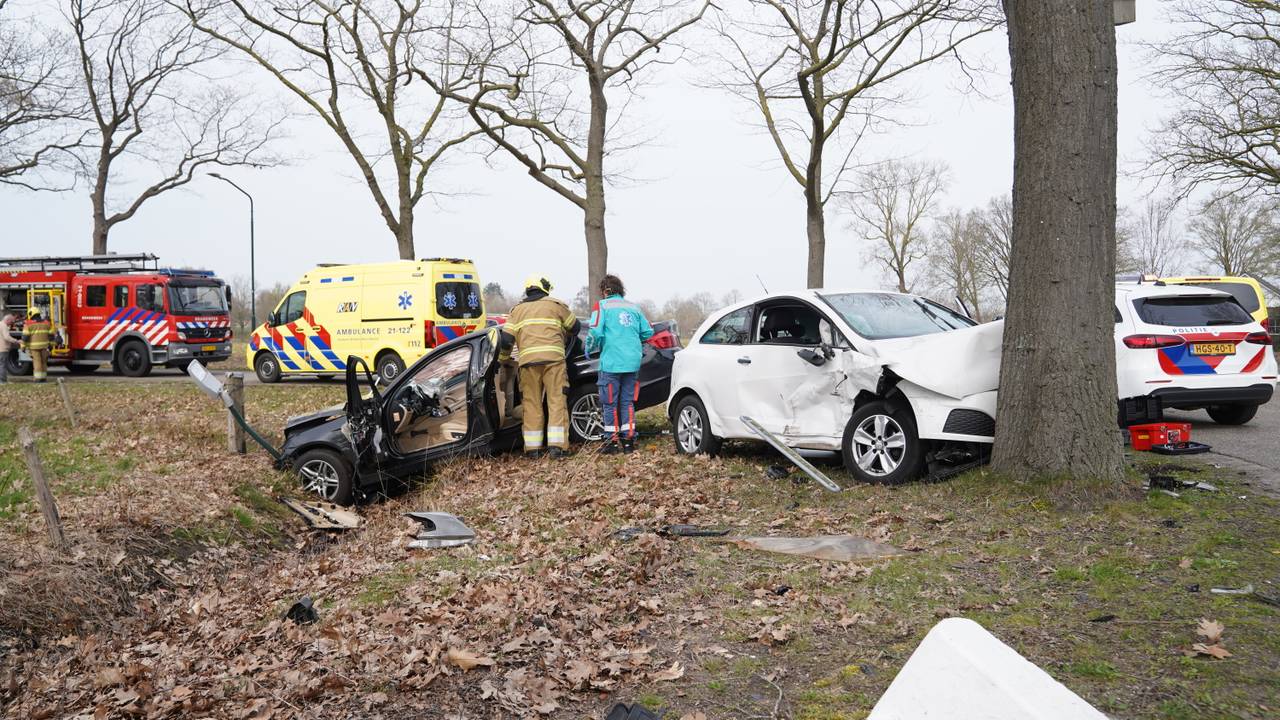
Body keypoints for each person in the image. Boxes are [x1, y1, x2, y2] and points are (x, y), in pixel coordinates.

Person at [503, 275, 580, 458]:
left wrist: (503, 359)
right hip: (554, 362)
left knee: (531, 404)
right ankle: (557, 448)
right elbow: (575, 327)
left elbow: (505, 340)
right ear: (544, 289)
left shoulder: (517, 311)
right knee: (556, 401)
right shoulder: (555, 305)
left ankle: (533, 450)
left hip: (528, 364)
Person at [585, 274, 653, 454]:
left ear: (606, 290)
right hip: (632, 363)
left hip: (611, 363)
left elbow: (595, 332)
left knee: (609, 403)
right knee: (627, 402)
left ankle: (612, 443)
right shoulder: (634, 307)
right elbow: (647, 332)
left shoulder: (602, 306)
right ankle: (629, 442)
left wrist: (589, 347)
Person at [22, 309, 52, 383]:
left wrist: (23, 347)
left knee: (37, 362)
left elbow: (25, 337)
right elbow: (51, 335)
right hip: (45, 346)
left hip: (34, 347)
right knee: (44, 362)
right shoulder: (46, 323)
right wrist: (51, 345)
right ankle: (43, 378)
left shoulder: (28, 324)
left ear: (31, 314)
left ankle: (38, 379)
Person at [0, 313, 17, 383]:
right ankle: (3, 381)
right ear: (8, 320)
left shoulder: (0, 324)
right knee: (2, 365)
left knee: (1, 365)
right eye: (11, 321)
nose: (11, 323)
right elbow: (6, 337)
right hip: (3, 348)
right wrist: (16, 341)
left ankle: (3, 380)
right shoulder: (4, 326)